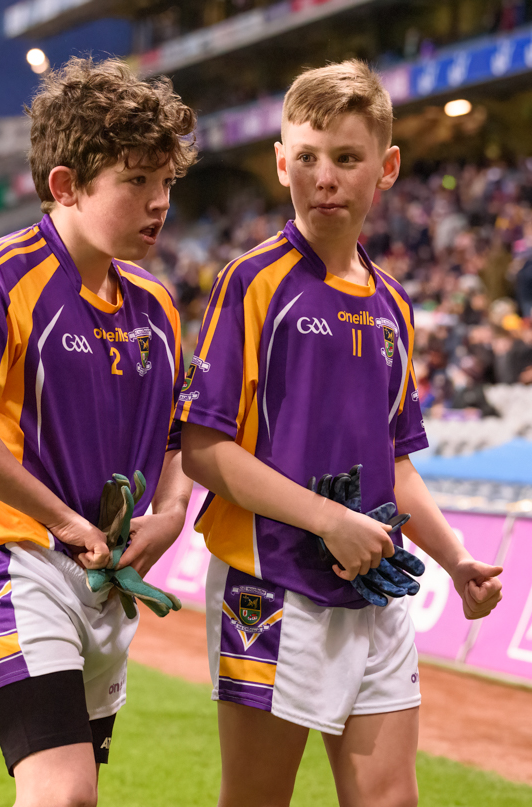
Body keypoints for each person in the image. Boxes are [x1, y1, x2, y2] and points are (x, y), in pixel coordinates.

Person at [178, 60, 503, 807]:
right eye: (311, 157)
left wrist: (454, 559)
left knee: (392, 799)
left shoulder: (395, 304)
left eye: (348, 158)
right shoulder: (252, 283)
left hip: (376, 585)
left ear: (386, 168)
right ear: (282, 162)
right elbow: (203, 448)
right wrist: (330, 520)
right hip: (271, 582)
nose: (327, 176)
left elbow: (396, 464)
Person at [0, 57, 195, 807]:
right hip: (11, 560)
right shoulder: (0, 272)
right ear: (66, 185)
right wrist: (65, 519)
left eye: (166, 183)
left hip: (105, 581)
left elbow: (180, 437)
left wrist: (171, 514)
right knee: (61, 790)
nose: (159, 202)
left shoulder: (157, 304)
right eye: (136, 182)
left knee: (75, 794)